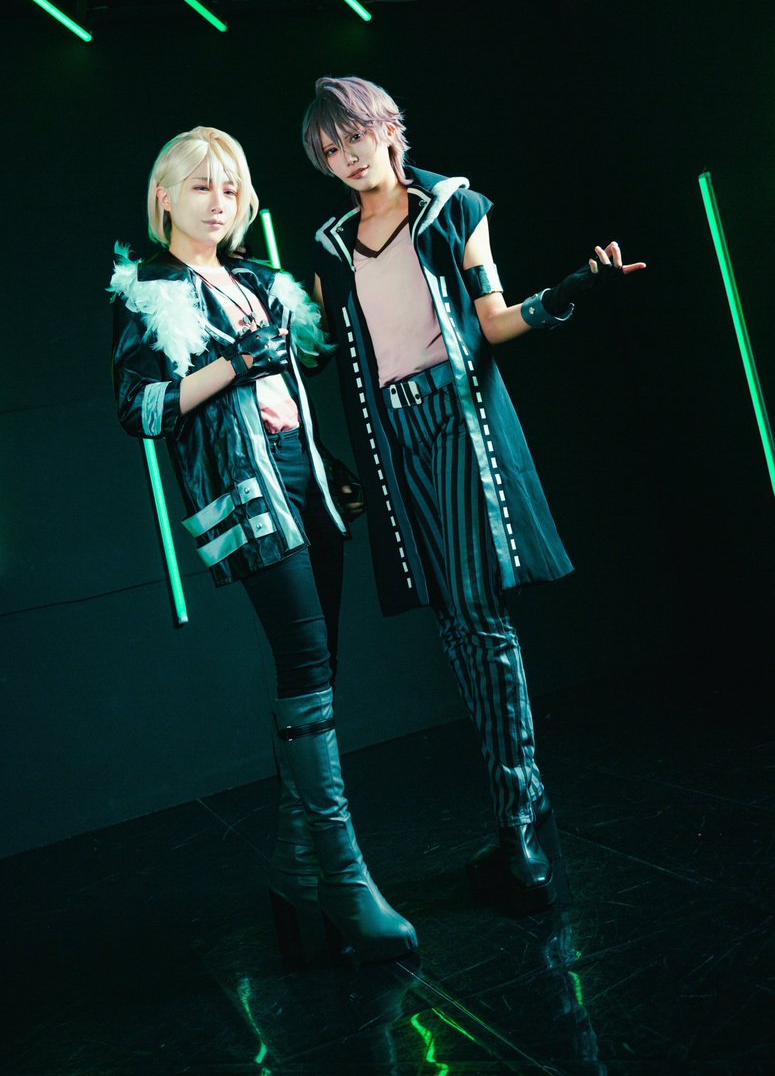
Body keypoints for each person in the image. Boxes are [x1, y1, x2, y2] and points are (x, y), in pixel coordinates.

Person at [302, 76, 646, 914]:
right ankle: (519, 814)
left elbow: (493, 322)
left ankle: (519, 821)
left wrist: (569, 291)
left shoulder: (453, 207)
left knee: (477, 613)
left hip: (457, 422)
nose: (347, 158)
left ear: (389, 128)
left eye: (355, 137)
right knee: (454, 623)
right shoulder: (329, 246)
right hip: (391, 440)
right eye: (330, 149)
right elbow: (319, 353)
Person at [110, 124, 417, 964]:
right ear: (165, 196)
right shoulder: (146, 291)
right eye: (200, 186)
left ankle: (293, 874)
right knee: (306, 666)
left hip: (307, 484)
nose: (218, 202)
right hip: (245, 497)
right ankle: (346, 885)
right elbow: (140, 408)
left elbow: (310, 358)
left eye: (230, 188)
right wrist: (232, 366)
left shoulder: (261, 281)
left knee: (319, 674)